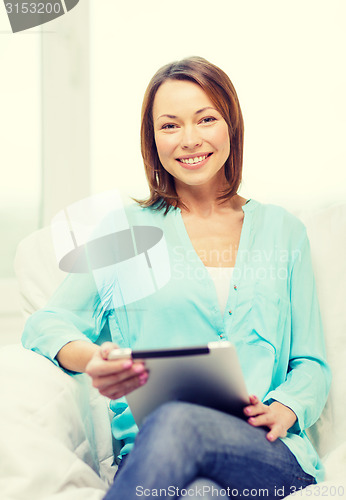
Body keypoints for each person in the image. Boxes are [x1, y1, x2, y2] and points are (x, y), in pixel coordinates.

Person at [22, 56, 331, 499]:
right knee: (191, 476)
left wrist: (287, 407)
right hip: (158, 455)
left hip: (264, 454)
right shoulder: (125, 231)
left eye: (205, 119)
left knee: (180, 419)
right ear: (152, 139)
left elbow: (311, 364)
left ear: (231, 125)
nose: (189, 140)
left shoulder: (284, 232)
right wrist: (94, 359)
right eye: (169, 126)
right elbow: (46, 323)